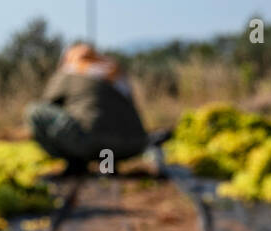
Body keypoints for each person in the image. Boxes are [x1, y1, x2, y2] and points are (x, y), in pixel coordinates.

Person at [26, 43, 168, 176]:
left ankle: (76, 162)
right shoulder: (115, 72)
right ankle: (108, 164)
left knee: (35, 111)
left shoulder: (70, 71)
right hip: (132, 143)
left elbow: (49, 102)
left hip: (89, 141)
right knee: (107, 131)